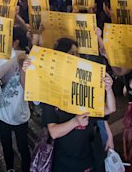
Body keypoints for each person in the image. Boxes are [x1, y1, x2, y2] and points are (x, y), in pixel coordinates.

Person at [34, 38, 115, 172]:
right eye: (72, 54)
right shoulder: (51, 91)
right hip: (63, 161)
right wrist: (75, 121)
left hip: (88, 158)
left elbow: (110, 109)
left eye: (77, 54)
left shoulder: (87, 86)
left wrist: (109, 89)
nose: (76, 57)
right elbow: (53, 132)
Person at [0, 27, 31, 172]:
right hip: (2, 112)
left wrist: (22, 67)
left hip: (20, 113)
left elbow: (27, 88)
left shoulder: (27, 60)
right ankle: (10, 168)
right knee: (6, 145)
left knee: (23, 147)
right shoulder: (1, 56)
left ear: (15, 43)